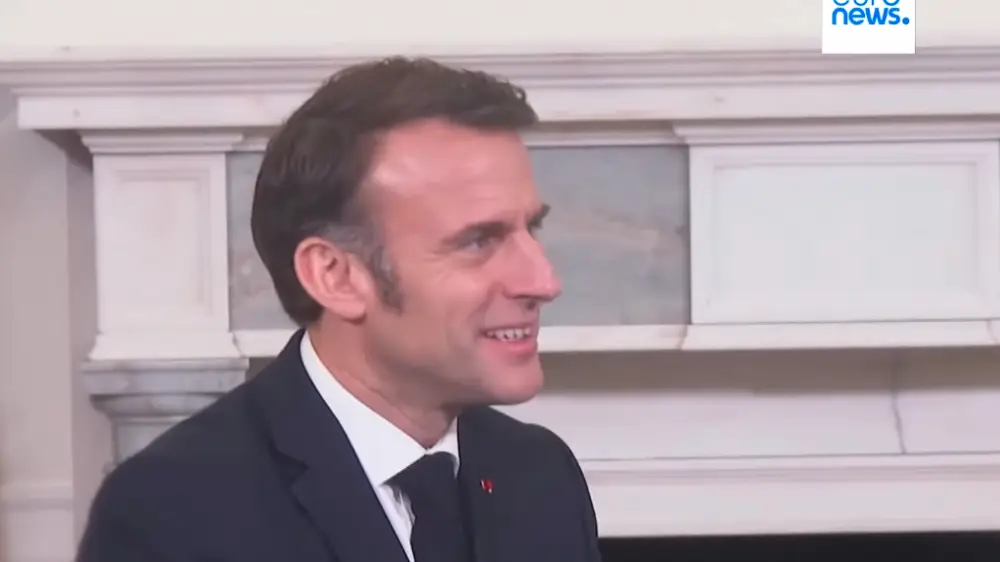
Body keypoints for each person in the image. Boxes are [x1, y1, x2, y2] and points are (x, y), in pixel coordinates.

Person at [76, 56, 602, 562]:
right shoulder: (172, 513)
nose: (544, 281)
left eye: (531, 228)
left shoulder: (538, 474)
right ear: (335, 276)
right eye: (478, 241)